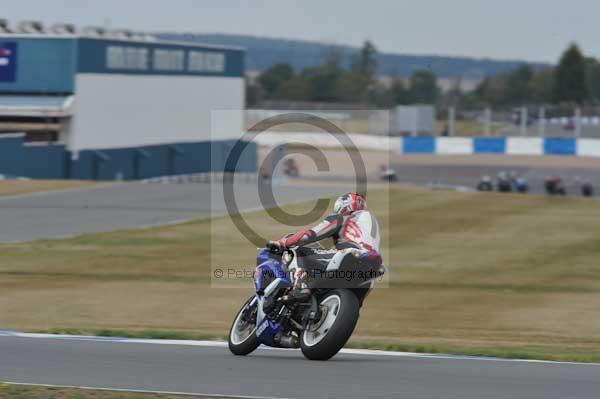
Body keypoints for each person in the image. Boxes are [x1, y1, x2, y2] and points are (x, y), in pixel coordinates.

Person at [269, 192, 383, 303]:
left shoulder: (344, 217)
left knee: (295, 251)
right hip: (372, 267)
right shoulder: (372, 224)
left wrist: (283, 242)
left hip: (350, 256)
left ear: (344, 205)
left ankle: (301, 287)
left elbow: (310, 235)